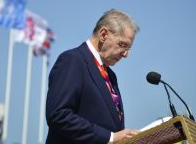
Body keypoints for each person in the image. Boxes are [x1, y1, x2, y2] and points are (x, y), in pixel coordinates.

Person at [46, 9, 140, 144]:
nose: (125, 54)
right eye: (122, 45)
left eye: (128, 48)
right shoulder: (73, 60)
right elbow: (58, 115)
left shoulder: (111, 76)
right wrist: (110, 138)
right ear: (103, 35)